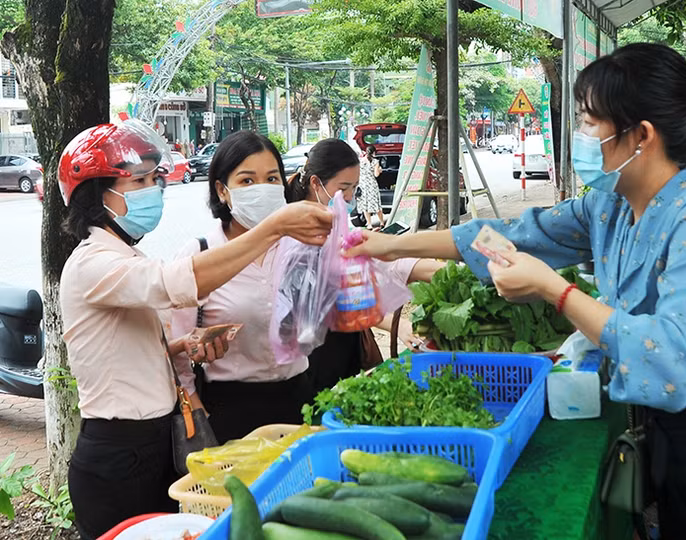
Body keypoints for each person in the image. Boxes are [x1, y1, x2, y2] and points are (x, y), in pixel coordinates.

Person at [346, 44, 686, 539]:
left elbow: (672, 356)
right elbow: (507, 235)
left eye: (589, 123)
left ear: (641, 136)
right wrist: (392, 245)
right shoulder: (610, 207)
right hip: (676, 440)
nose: (581, 137)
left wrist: (554, 290)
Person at [59, 119, 332, 539]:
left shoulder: (122, 256)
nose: (156, 190)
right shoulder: (93, 262)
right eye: (140, 181)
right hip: (118, 452)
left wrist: (180, 347)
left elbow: (121, 353)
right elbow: (177, 284)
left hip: (149, 444)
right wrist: (273, 227)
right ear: (99, 195)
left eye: (156, 179)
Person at [169, 134, 436, 442]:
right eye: (247, 180)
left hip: (299, 399)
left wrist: (447, 266)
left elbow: (379, 260)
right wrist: (198, 414)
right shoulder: (201, 254)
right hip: (229, 411)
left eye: (271, 178)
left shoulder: (304, 243)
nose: (262, 188)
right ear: (222, 190)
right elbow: (176, 345)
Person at [286, 138, 443, 393]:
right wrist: (397, 324)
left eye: (355, 188)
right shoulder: (289, 235)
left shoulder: (339, 224)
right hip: (309, 360)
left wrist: (443, 272)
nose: (349, 197)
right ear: (316, 183)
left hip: (345, 349)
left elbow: (374, 271)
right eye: (344, 187)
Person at [357, 145, 385, 229]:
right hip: (372, 185)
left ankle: (369, 224)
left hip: (363, 185)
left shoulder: (360, 161)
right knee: (376, 205)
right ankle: (382, 222)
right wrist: (380, 170)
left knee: (365, 205)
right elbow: (376, 175)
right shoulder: (375, 162)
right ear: (374, 152)